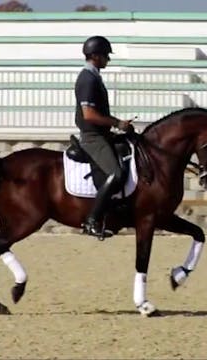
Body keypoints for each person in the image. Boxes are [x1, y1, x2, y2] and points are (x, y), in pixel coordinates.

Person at [74, 35, 133, 239]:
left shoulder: (94, 76)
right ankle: (92, 221)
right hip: (93, 137)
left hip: (102, 133)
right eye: (106, 55)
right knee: (115, 174)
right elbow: (89, 115)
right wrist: (117, 123)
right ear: (96, 56)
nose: (108, 59)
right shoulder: (87, 79)